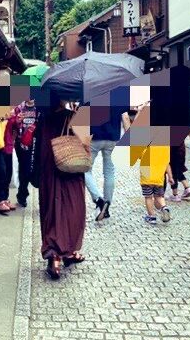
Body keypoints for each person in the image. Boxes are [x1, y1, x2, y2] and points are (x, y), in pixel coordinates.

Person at [38, 99, 87, 280]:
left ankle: (55, 255)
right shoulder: (72, 116)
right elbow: (85, 142)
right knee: (73, 211)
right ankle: (68, 251)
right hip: (71, 173)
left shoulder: (44, 118)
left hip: (49, 173)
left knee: (52, 210)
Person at [84, 106, 129, 221]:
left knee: (85, 170)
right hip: (113, 138)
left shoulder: (91, 91)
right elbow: (125, 117)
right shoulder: (118, 94)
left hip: (94, 137)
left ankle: (99, 200)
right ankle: (107, 205)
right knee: (109, 173)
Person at [138, 145, 173, 224]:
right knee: (159, 196)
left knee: (148, 197)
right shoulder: (165, 147)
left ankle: (151, 216)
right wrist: (170, 177)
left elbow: (140, 155)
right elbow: (167, 163)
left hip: (146, 176)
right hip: (159, 177)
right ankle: (164, 207)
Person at [13, 98, 38, 207]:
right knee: (24, 169)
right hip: (21, 143)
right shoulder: (19, 108)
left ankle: (26, 191)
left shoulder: (40, 108)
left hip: (36, 142)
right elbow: (12, 124)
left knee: (32, 168)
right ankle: (22, 194)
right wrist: (17, 121)